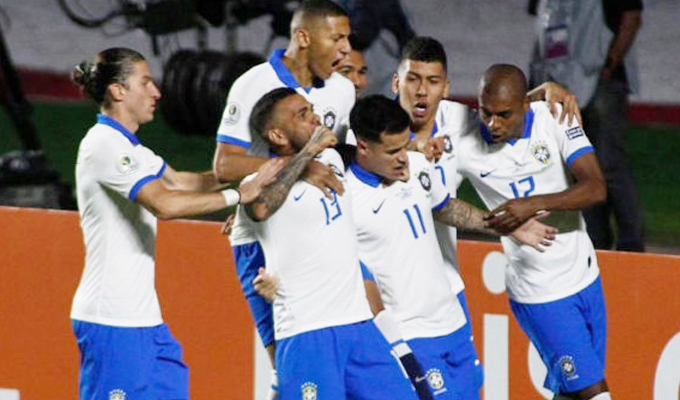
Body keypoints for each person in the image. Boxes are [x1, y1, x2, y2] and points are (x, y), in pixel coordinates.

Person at [69, 47, 281, 400]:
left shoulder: (132, 149)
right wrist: (239, 195)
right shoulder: (103, 145)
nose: (156, 92)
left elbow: (184, 182)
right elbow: (164, 204)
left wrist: (260, 168)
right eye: (145, 82)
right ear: (118, 90)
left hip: (145, 321)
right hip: (112, 319)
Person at [390, 36, 584, 394]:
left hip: (448, 293)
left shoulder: (457, 121)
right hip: (396, 301)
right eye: (413, 79)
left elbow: (505, 110)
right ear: (395, 82)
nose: (421, 92)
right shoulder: (372, 132)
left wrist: (542, 92)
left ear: (446, 88)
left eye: (432, 81)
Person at [346, 95, 556, 400]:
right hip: (410, 331)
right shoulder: (345, 198)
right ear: (363, 147)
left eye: (405, 146)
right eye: (392, 152)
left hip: (453, 319)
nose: (403, 158)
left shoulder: (418, 166)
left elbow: (446, 207)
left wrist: (506, 226)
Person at [213, 0, 356, 395]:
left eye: (348, 38)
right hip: (263, 239)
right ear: (304, 37)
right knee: (288, 364)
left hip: (320, 235)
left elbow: (344, 153)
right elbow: (224, 165)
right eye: (337, 38)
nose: (346, 48)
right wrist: (300, 165)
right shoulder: (253, 83)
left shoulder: (342, 90)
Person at [240, 87, 420, 400]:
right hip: (307, 333)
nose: (315, 118)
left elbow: (374, 147)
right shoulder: (256, 183)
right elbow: (260, 208)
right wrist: (306, 157)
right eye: (302, 114)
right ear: (277, 135)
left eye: (311, 109)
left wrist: (419, 146)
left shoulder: (333, 158)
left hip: (360, 326)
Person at [457, 64, 610, 400]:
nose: (492, 124)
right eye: (486, 112)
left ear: (526, 105)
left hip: (585, 275)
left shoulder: (554, 116)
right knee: (595, 394)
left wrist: (533, 205)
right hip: (539, 291)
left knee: (573, 392)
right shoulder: (464, 143)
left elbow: (596, 188)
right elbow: (437, 198)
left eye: (503, 115)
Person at [529, 0, 645, 252]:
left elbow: (632, 17)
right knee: (577, 169)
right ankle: (595, 241)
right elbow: (543, 25)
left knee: (609, 165)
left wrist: (610, 65)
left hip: (600, 83)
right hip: (560, 84)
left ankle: (631, 244)